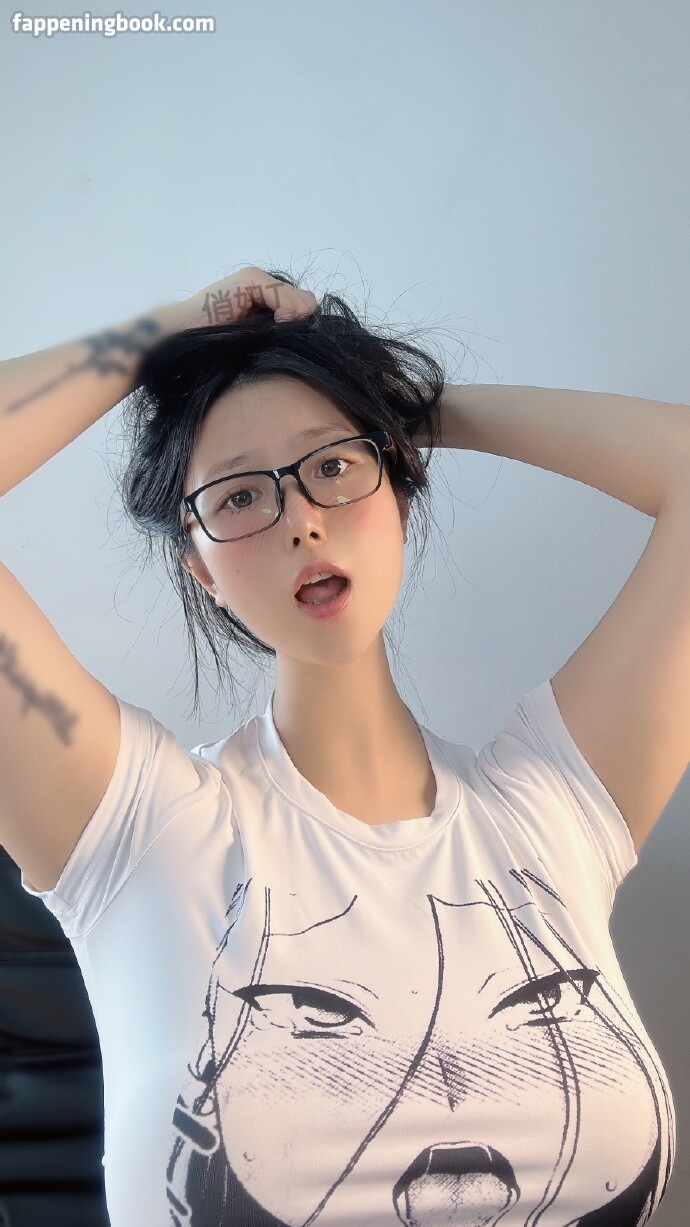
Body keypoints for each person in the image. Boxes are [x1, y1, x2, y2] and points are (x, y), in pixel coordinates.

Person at [0, 266, 677, 1225]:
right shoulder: (140, 837)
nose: (303, 520)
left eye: (333, 467)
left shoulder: (551, 810)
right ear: (200, 568)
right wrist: (173, 332)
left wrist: (404, 406)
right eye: (240, 496)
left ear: (400, 486)